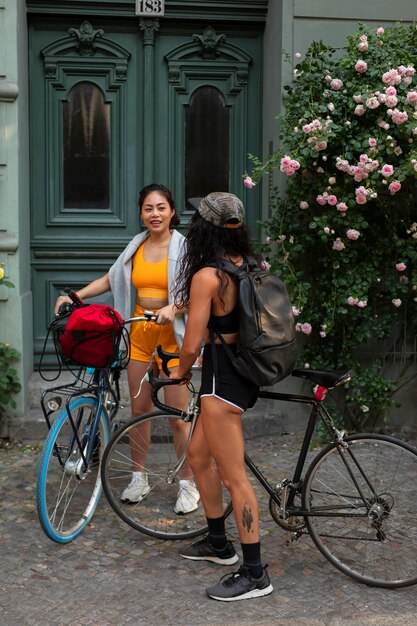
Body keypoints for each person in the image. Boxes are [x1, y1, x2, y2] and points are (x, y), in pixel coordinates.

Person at [54, 183, 199, 515]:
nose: (155, 214)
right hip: (138, 334)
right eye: (148, 208)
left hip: (172, 339)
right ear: (141, 213)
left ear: (172, 211)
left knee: (178, 418)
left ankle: (189, 484)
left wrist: (174, 308)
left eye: (161, 207)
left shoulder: (185, 248)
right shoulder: (136, 246)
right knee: (138, 412)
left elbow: (199, 292)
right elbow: (111, 278)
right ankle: (138, 477)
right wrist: (76, 297)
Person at [171, 192, 273, 601]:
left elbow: (193, 341)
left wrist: (176, 372)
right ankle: (218, 545)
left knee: (235, 478)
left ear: (204, 229)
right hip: (240, 372)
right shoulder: (250, 266)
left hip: (223, 382)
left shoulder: (208, 277)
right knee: (198, 456)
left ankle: (255, 573)